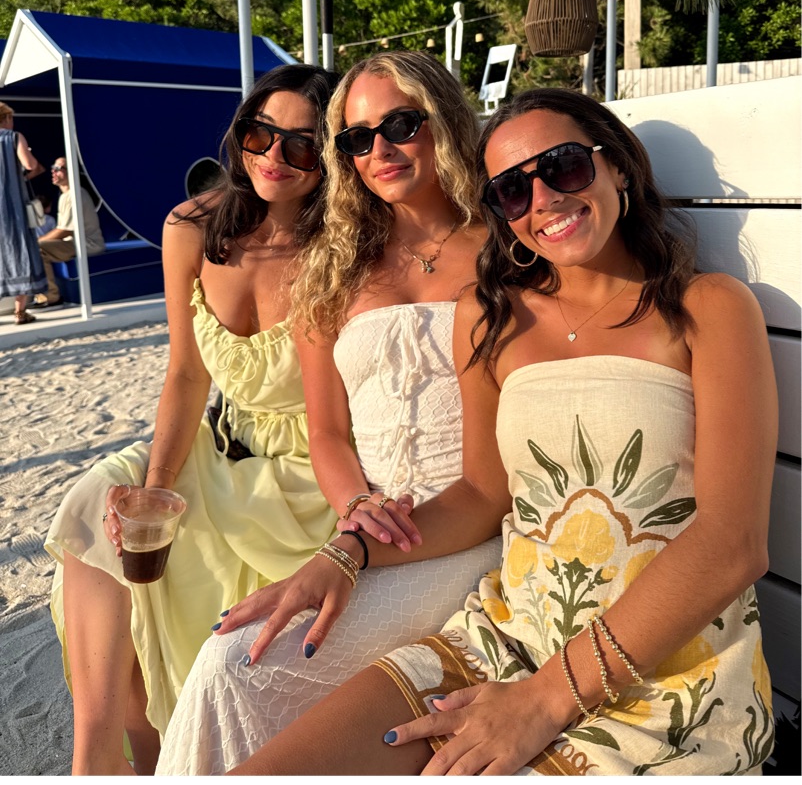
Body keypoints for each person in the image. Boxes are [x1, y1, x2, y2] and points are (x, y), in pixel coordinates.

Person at [189, 88, 776, 776]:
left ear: (616, 165)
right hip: (507, 637)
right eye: (512, 191)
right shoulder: (493, 317)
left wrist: (545, 699)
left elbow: (731, 545)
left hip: (665, 674)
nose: (543, 200)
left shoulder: (706, 307)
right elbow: (479, 496)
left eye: (563, 166)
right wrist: (348, 551)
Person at [155, 50, 503, 775]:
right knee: (230, 661)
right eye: (356, 138)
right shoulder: (336, 264)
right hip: (366, 523)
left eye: (400, 125)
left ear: (442, 119)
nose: (380, 150)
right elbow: (327, 431)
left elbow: (488, 483)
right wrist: (355, 511)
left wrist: (353, 550)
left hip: (466, 530)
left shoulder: (505, 249)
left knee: (236, 666)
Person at [44, 65, 341, 776]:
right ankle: (98, 760)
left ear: (331, 158)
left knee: (186, 581)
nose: (275, 156)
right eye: (261, 134)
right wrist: (157, 484)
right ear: (239, 134)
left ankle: (162, 757)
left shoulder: (341, 245)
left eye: (303, 145)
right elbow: (185, 374)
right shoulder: (192, 228)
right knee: (100, 504)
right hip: (221, 443)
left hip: (309, 470)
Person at [34, 156, 106, 307]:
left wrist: (37, 242)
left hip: (87, 244)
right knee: (35, 248)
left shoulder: (76, 194)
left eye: (58, 168)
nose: (53, 171)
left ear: (71, 171)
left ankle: (51, 296)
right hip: (74, 243)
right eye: (53, 168)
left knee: (37, 249)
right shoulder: (65, 196)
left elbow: (64, 231)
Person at [0, 100, 47, 324]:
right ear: (7, 118)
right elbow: (30, 165)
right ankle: (20, 312)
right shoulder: (14, 137)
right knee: (20, 252)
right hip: (12, 207)